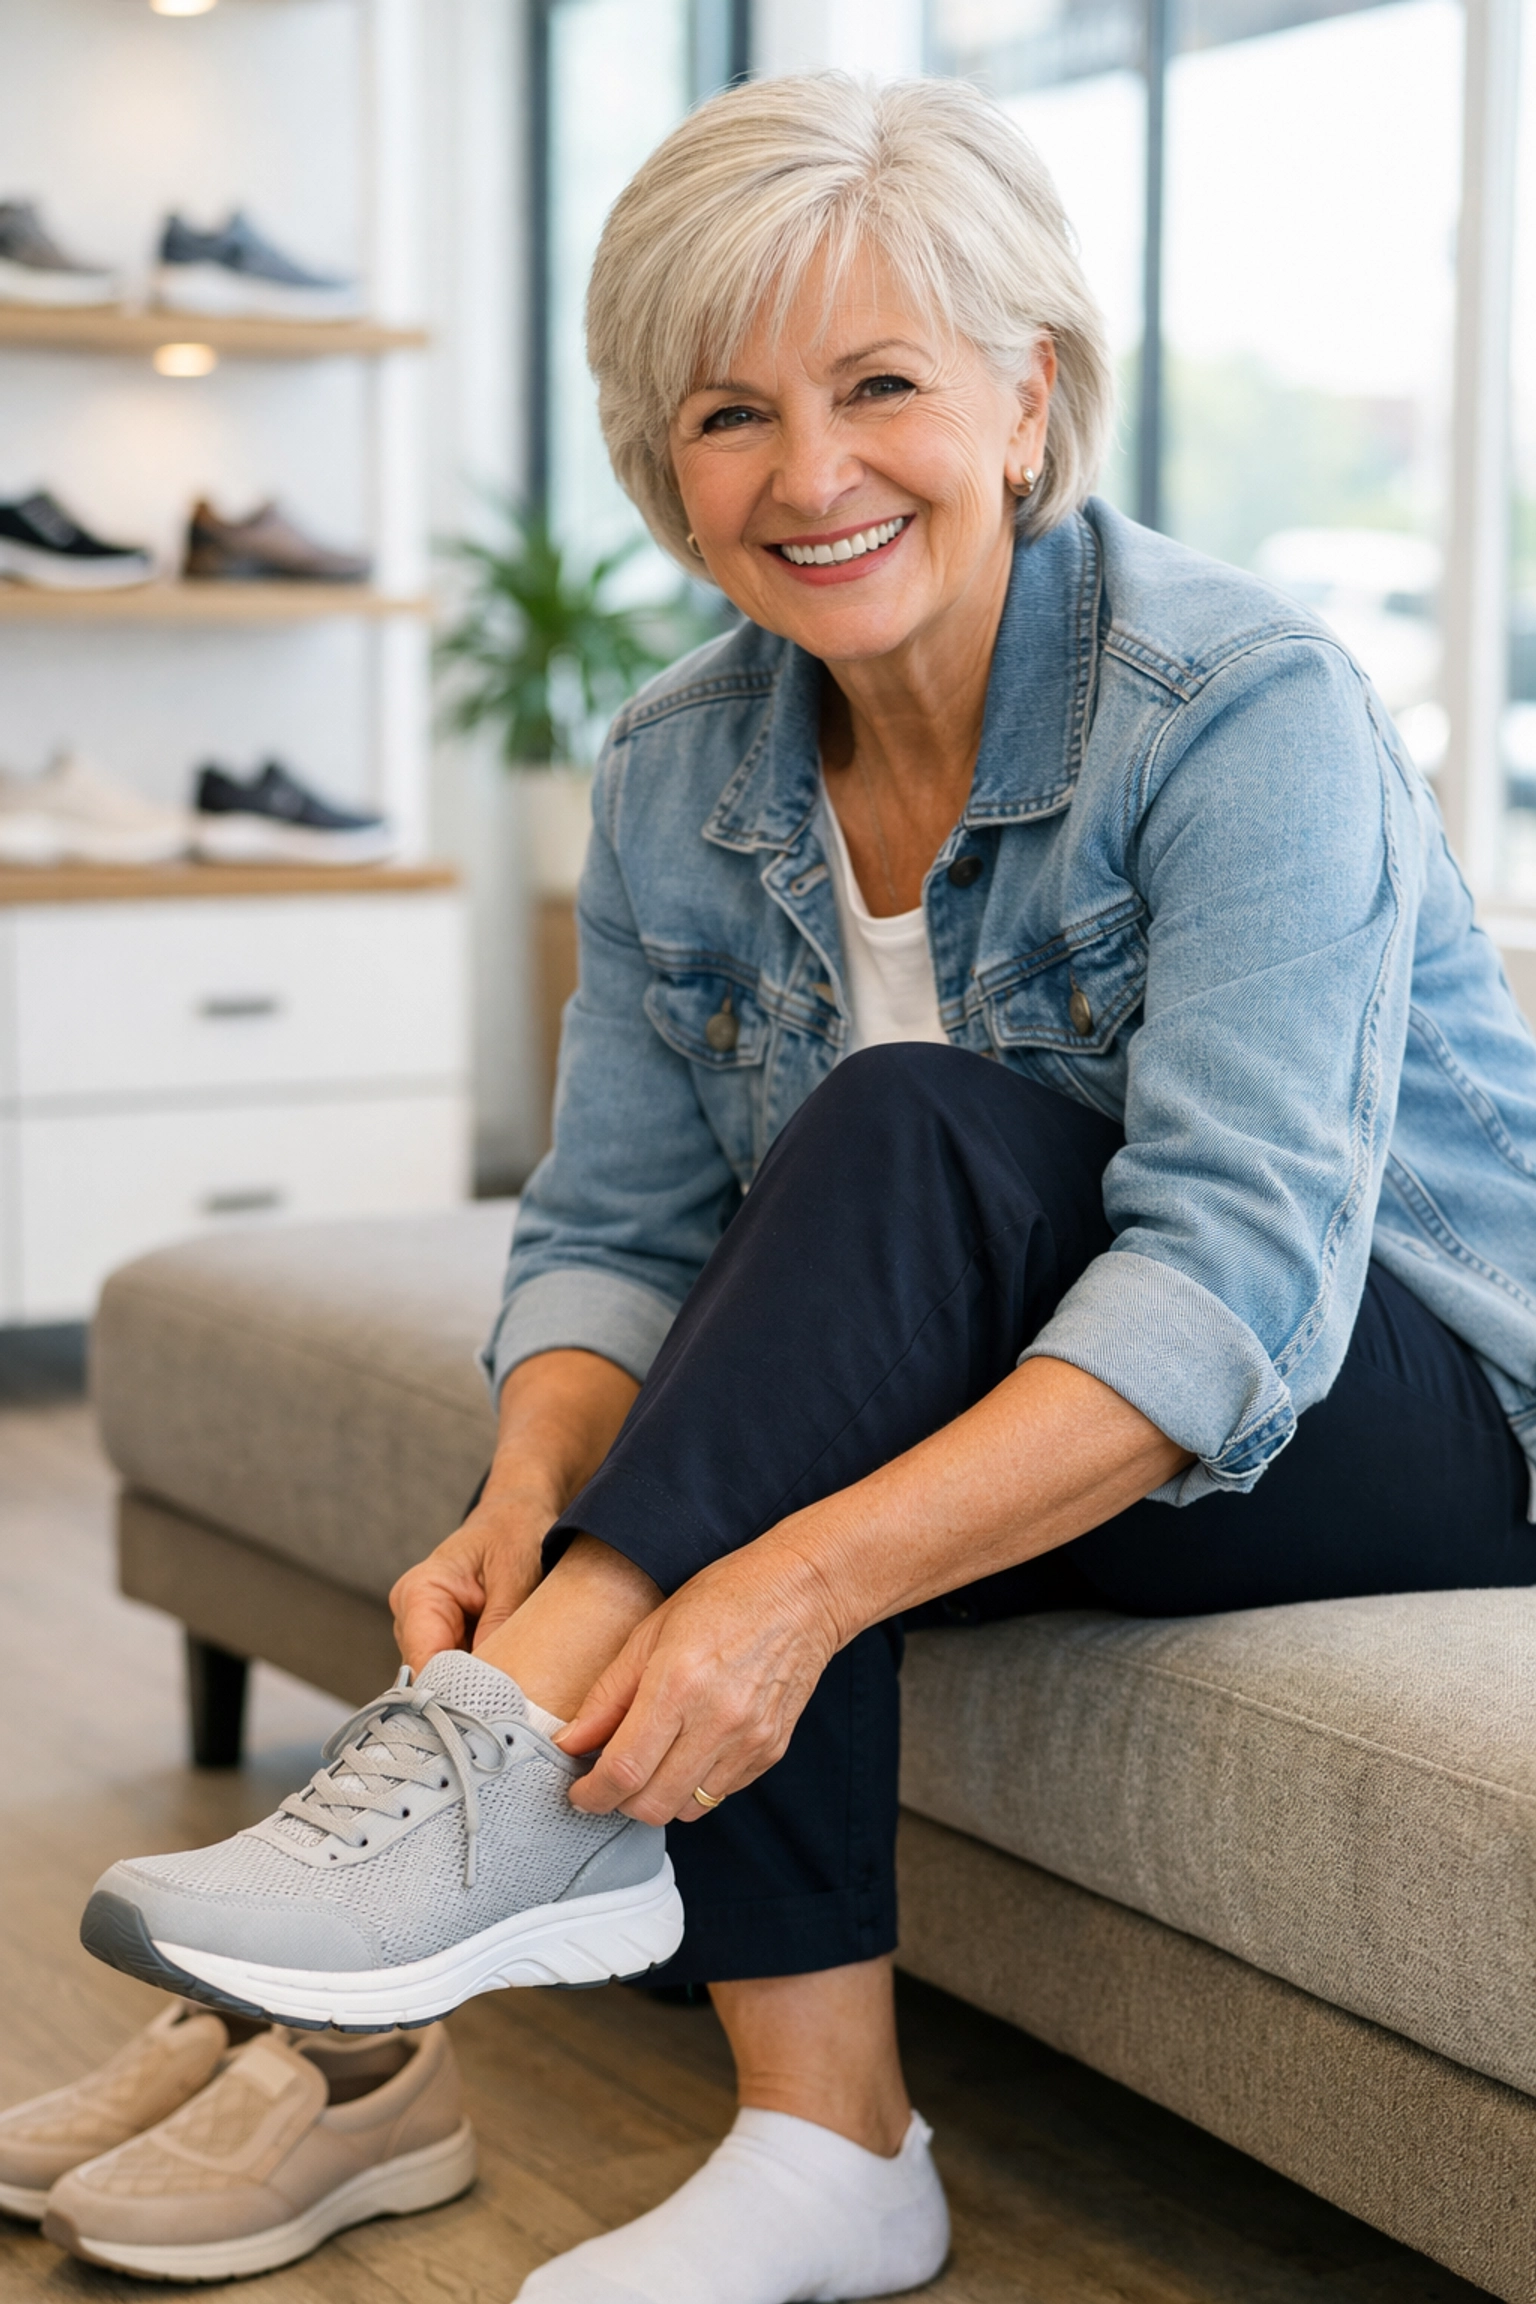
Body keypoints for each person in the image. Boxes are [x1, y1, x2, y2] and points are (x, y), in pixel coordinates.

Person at [85, 72, 1536, 2304]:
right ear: (663, 461)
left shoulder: (1245, 703)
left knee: (883, 1148)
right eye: (731, 412)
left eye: (883, 386)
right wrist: (526, 1494)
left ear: (1027, 397)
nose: (812, 473)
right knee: (684, 1404)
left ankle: (387, 1935)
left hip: (1408, 1395)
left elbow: (1242, 1284)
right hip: (1052, 1371)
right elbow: (617, 1225)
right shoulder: (686, 756)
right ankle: (786, 2131)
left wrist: (781, 1592)